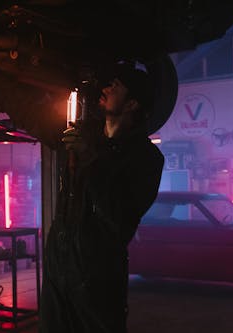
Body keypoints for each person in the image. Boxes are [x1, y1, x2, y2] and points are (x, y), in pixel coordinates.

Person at [39, 62, 165, 332]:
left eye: (116, 87)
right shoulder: (89, 141)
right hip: (59, 268)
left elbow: (119, 219)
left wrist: (90, 161)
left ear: (132, 104)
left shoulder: (146, 158)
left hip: (97, 277)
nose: (106, 88)